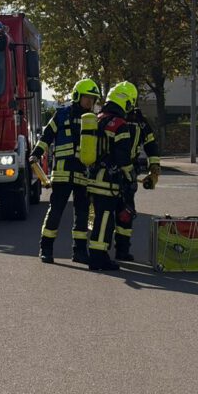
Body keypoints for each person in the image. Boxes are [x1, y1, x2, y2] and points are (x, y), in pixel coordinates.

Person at [29, 78, 101, 264]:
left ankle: (79, 252)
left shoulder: (93, 121)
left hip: (82, 174)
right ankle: (45, 248)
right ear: (77, 96)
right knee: (56, 212)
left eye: (92, 99)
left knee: (82, 214)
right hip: (62, 173)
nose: (90, 103)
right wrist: (36, 154)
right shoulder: (61, 115)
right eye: (87, 98)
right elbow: (47, 137)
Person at [87, 82, 138, 272]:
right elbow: (123, 157)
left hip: (93, 177)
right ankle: (99, 259)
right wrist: (130, 175)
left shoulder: (99, 118)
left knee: (101, 218)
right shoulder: (120, 125)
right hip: (107, 181)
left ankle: (99, 256)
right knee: (105, 221)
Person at [113, 102, 161, 262]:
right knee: (110, 212)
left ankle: (121, 250)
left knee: (125, 212)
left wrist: (154, 169)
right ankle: (106, 251)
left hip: (125, 173)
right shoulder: (113, 117)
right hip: (112, 171)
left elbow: (151, 145)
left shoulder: (139, 121)